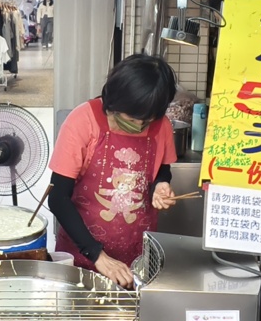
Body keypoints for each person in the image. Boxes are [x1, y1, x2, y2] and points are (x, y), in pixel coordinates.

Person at [48, 54, 182, 288]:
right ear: (114, 101)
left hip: (139, 258)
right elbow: (58, 198)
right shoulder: (82, 121)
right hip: (83, 255)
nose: (140, 126)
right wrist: (97, 256)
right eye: (133, 118)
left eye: (147, 120)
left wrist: (160, 185)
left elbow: (162, 168)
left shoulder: (162, 126)